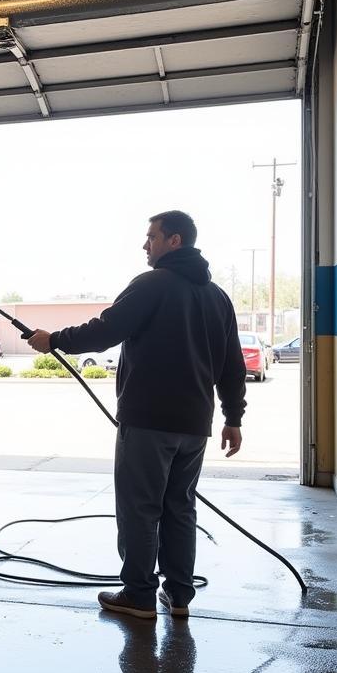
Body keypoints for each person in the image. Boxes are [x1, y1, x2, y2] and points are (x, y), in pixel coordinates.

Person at [27, 211, 246, 619]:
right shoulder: (218, 298)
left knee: (140, 509)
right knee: (180, 507)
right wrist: (233, 417)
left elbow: (105, 330)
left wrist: (52, 340)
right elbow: (232, 363)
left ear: (174, 241)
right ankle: (179, 596)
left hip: (148, 421)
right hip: (195, 425)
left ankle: (139, 595)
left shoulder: (151, 285)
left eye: (152, 237)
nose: (145, 245)